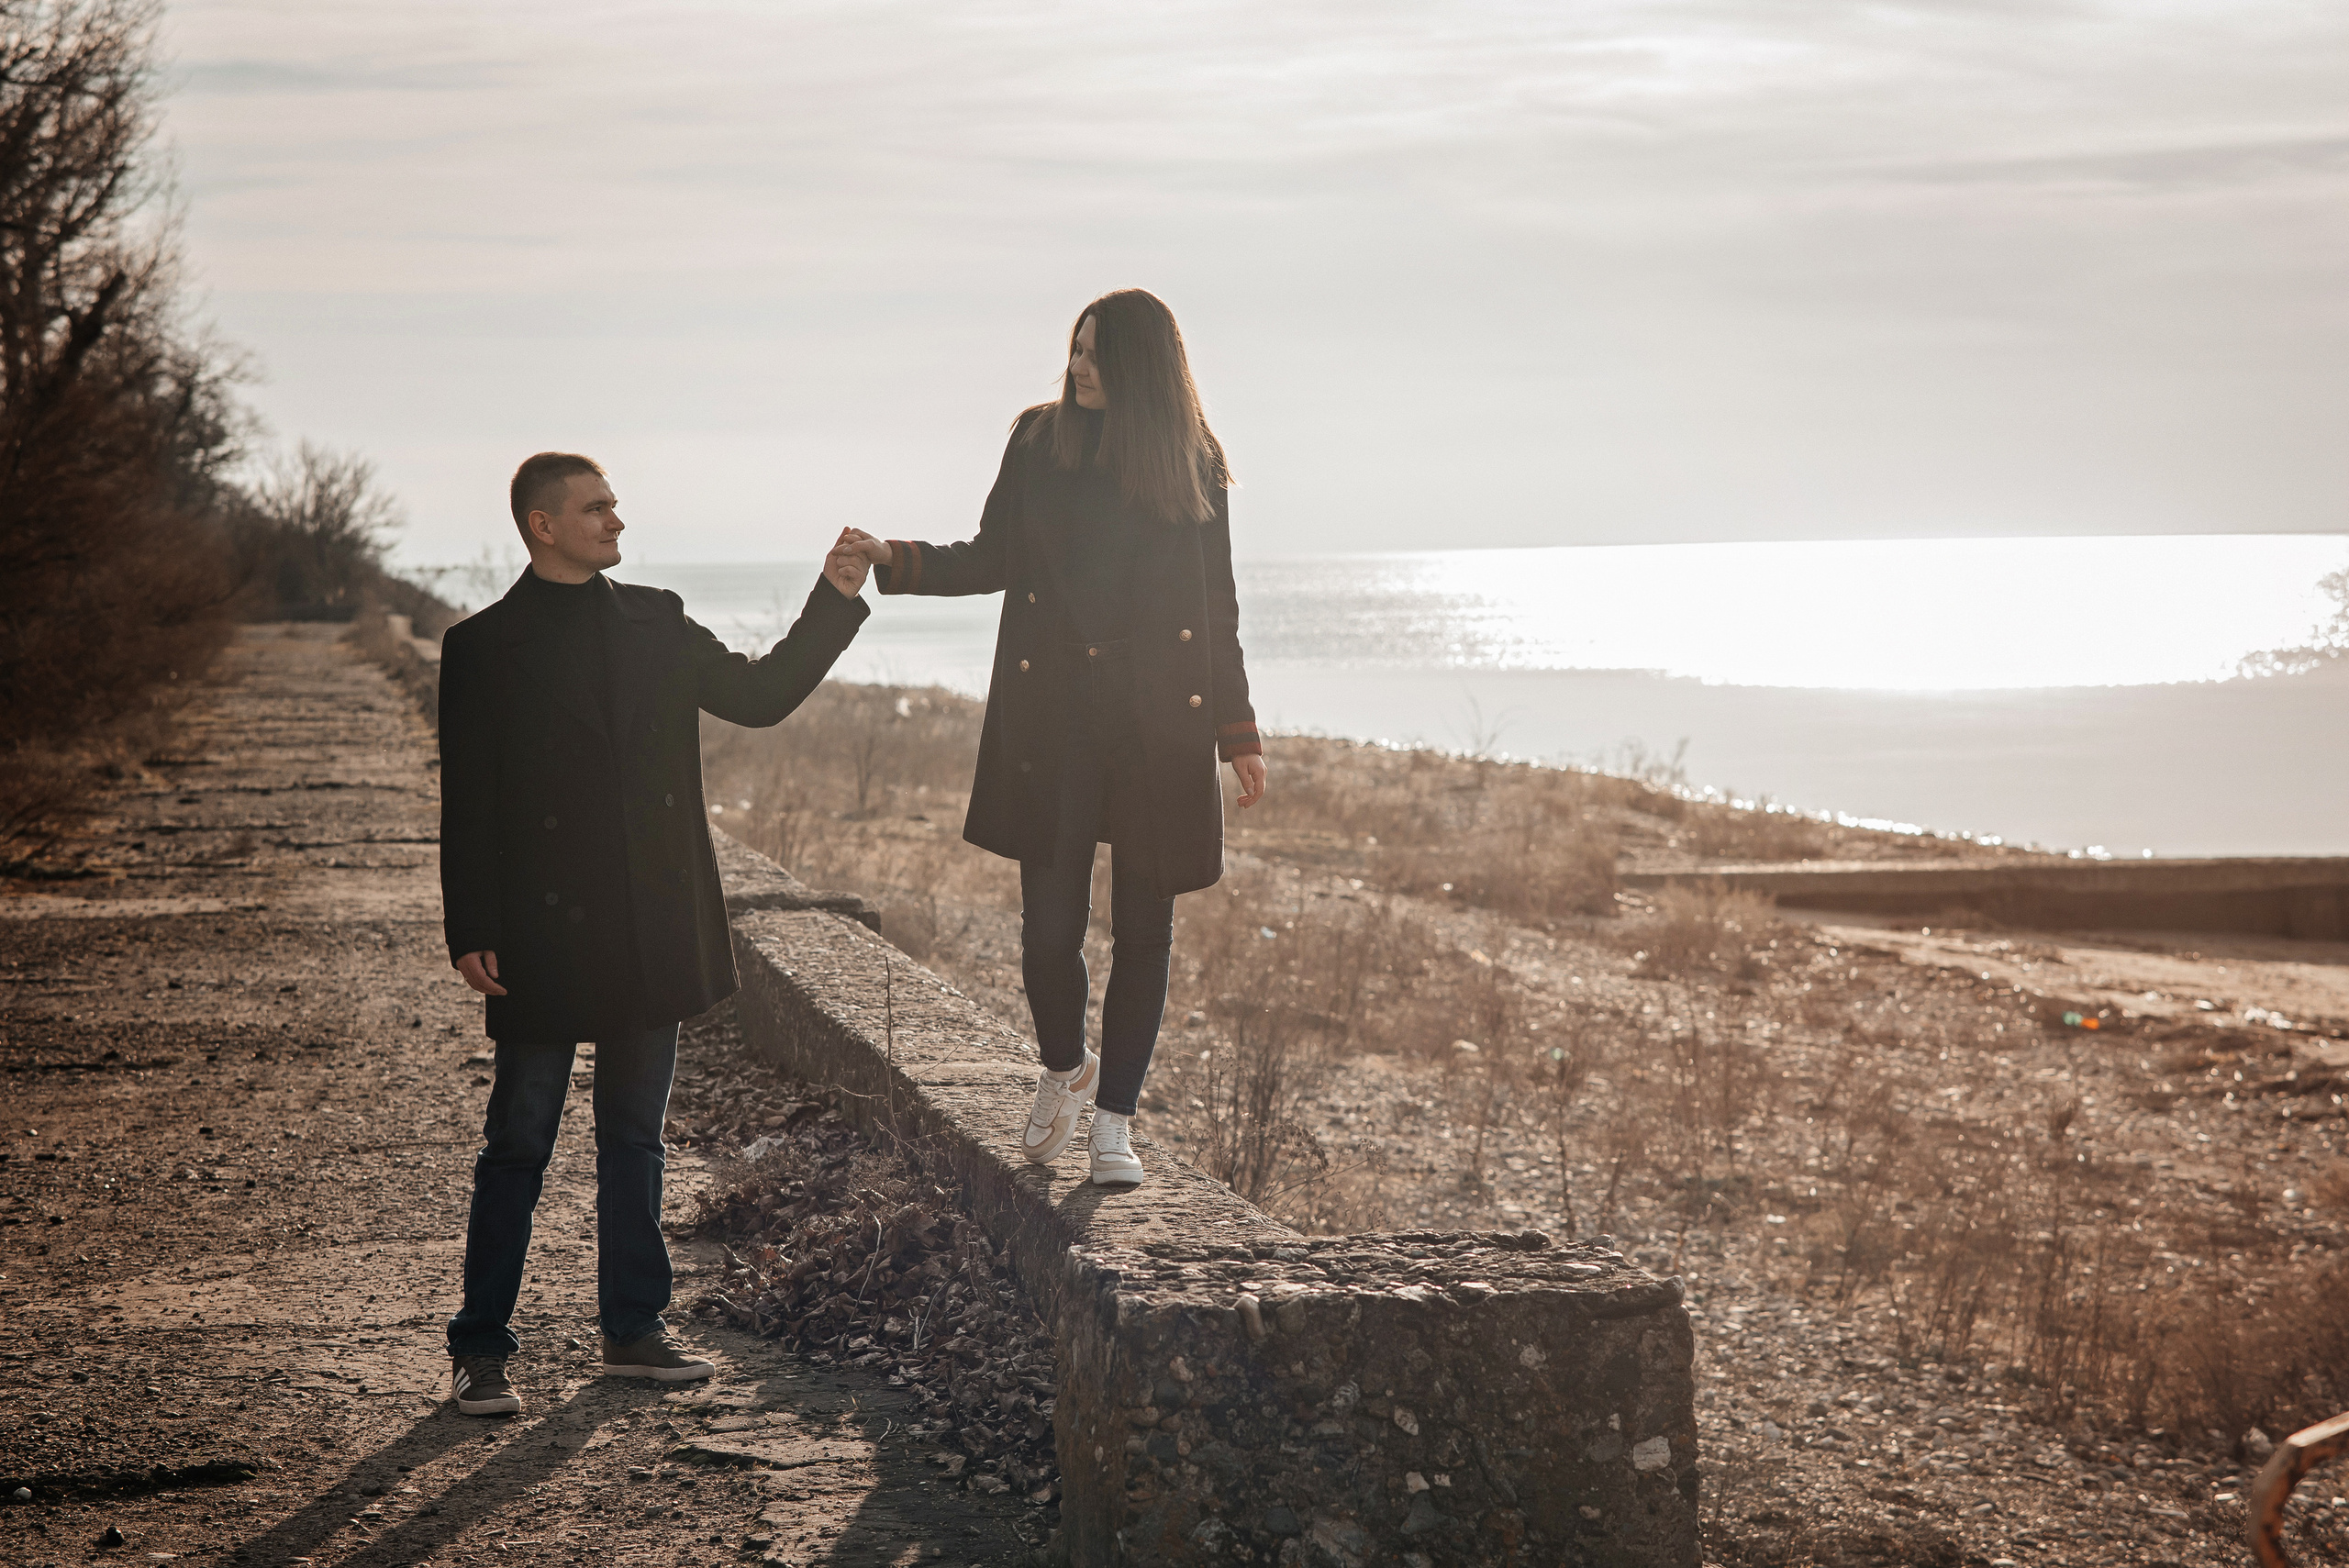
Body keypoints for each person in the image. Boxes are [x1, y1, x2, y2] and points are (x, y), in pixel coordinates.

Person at [436, 452, 874, 1417]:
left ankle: (633, 1328)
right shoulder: (481, 646)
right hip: (540, 930)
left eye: (616, 505)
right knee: (519, 1138)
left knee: (635, 1136)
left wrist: (833, 597)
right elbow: (466, 801)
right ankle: (480, 1348)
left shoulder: (657, 621)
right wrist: (469, 923)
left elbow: (760, 696)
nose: (616, 521)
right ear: (542, 525)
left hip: (647, 920)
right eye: (596, 508)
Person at [838, 287, 1267, 1191]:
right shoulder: (1038, 442)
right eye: (1074, 350)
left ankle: (1113, 1122)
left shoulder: (1193, 462)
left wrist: (1237, 732)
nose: (1078, 367)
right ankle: (1063, 1064)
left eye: (1097, 354)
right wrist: (897, 559)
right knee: (1048, 933)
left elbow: (1215, 609)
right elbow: (991, 556)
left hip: (1159, 726)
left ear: (1142, 367)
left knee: (1145, 935)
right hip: (1057, 718)